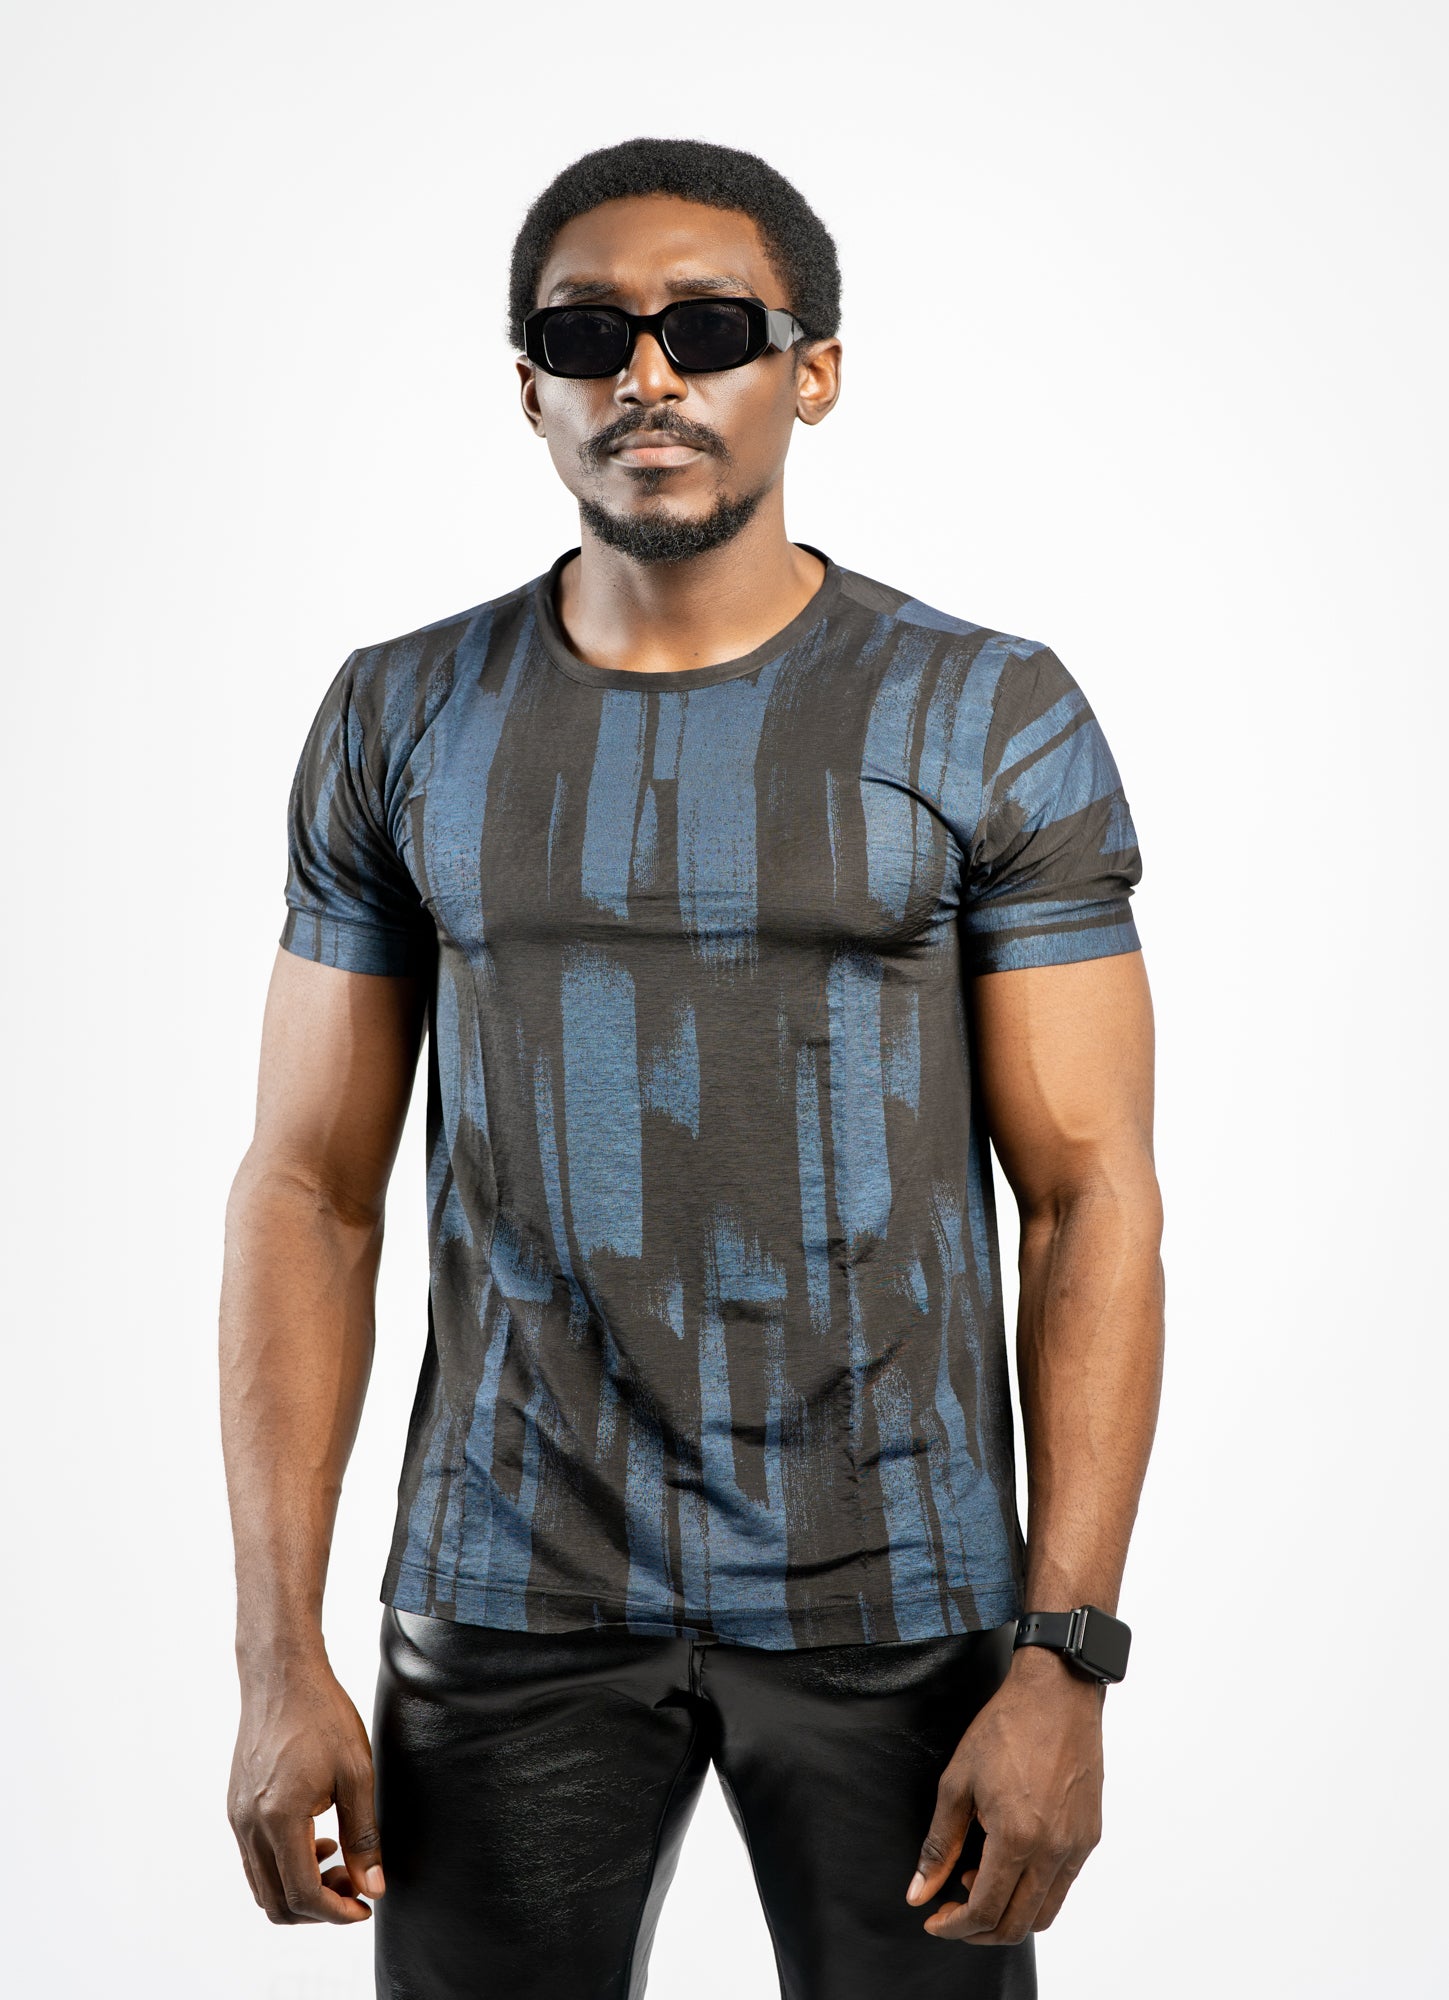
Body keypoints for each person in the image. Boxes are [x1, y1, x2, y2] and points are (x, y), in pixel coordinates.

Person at [220, 136, 1165, 2000]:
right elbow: (307, 1190)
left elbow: (1090, 1198)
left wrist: (1065, 1660)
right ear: (531, 388)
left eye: (710, 329)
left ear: (811, 371)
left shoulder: (987, 713)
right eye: (591, 334)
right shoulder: (401, 714)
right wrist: (275, 1653)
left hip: (901, 1593)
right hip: (506, 1589)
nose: (647, 375)